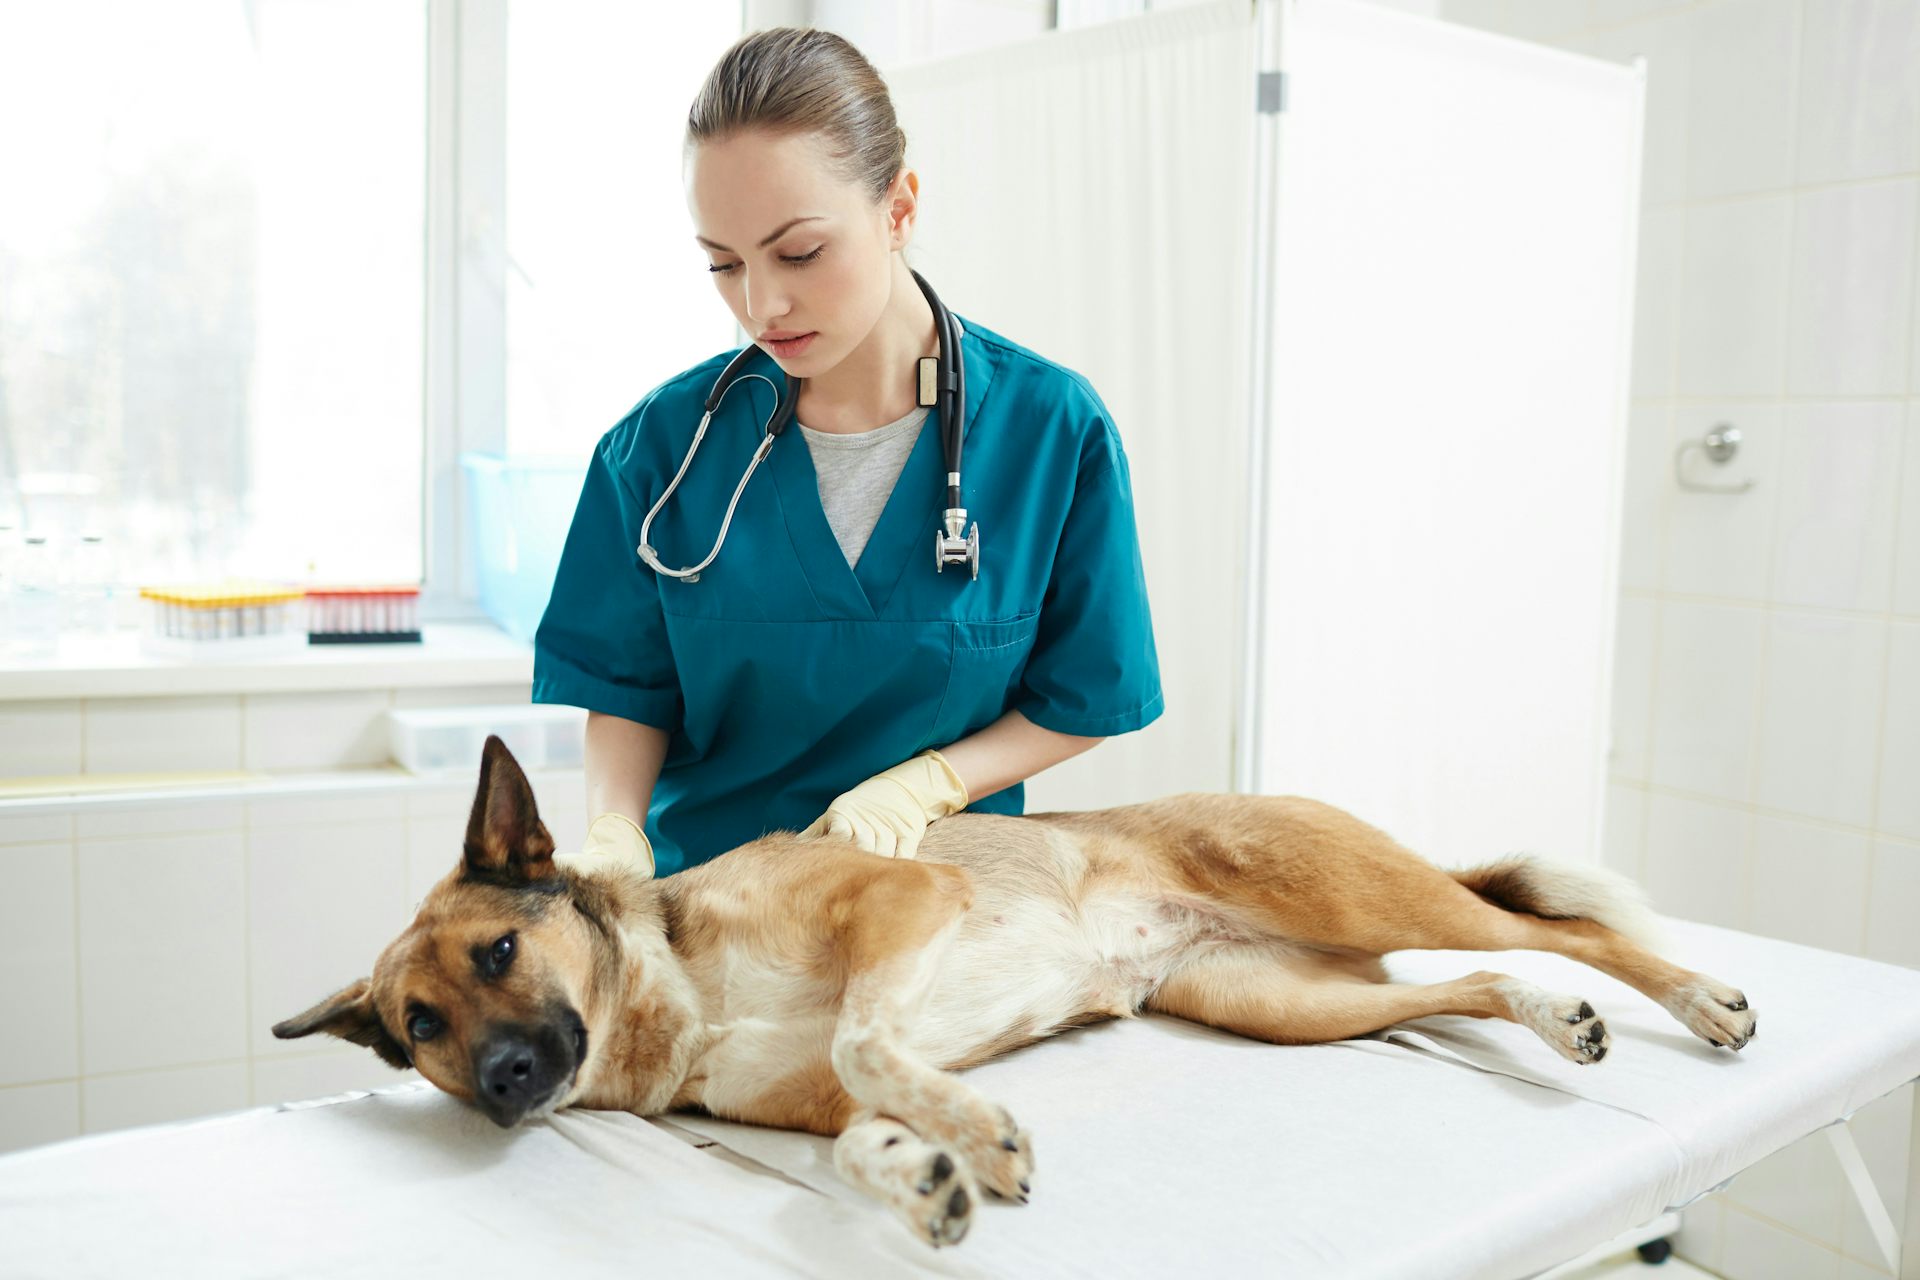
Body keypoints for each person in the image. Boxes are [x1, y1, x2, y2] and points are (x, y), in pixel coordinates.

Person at [532, 25, 1162, 879]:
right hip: (713, 908)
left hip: (943, 908)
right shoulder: (659, 450)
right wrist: (616, 832)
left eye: (799, 253)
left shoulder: (1051, 430)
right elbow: (625, 690)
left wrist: (931, 784)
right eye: (723, 264)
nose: (762, 304)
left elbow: (1087, 693)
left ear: (898, 211)